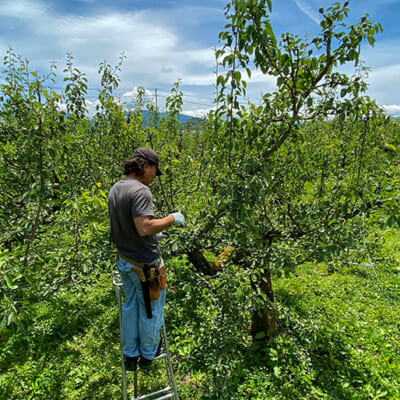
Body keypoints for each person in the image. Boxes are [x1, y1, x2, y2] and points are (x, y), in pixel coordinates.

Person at [108, 147, 185, 371]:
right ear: (144, 166)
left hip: (125, 260)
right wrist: (171, 218)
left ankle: (130, 354)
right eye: (154, 170)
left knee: (131, 306)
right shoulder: (141, 191)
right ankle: (149, 353)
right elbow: (143, 227)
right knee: (151, 311)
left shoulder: (117, 188)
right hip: (145, 266)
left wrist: (154, 232)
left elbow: (125, 225)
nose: (154, 176)